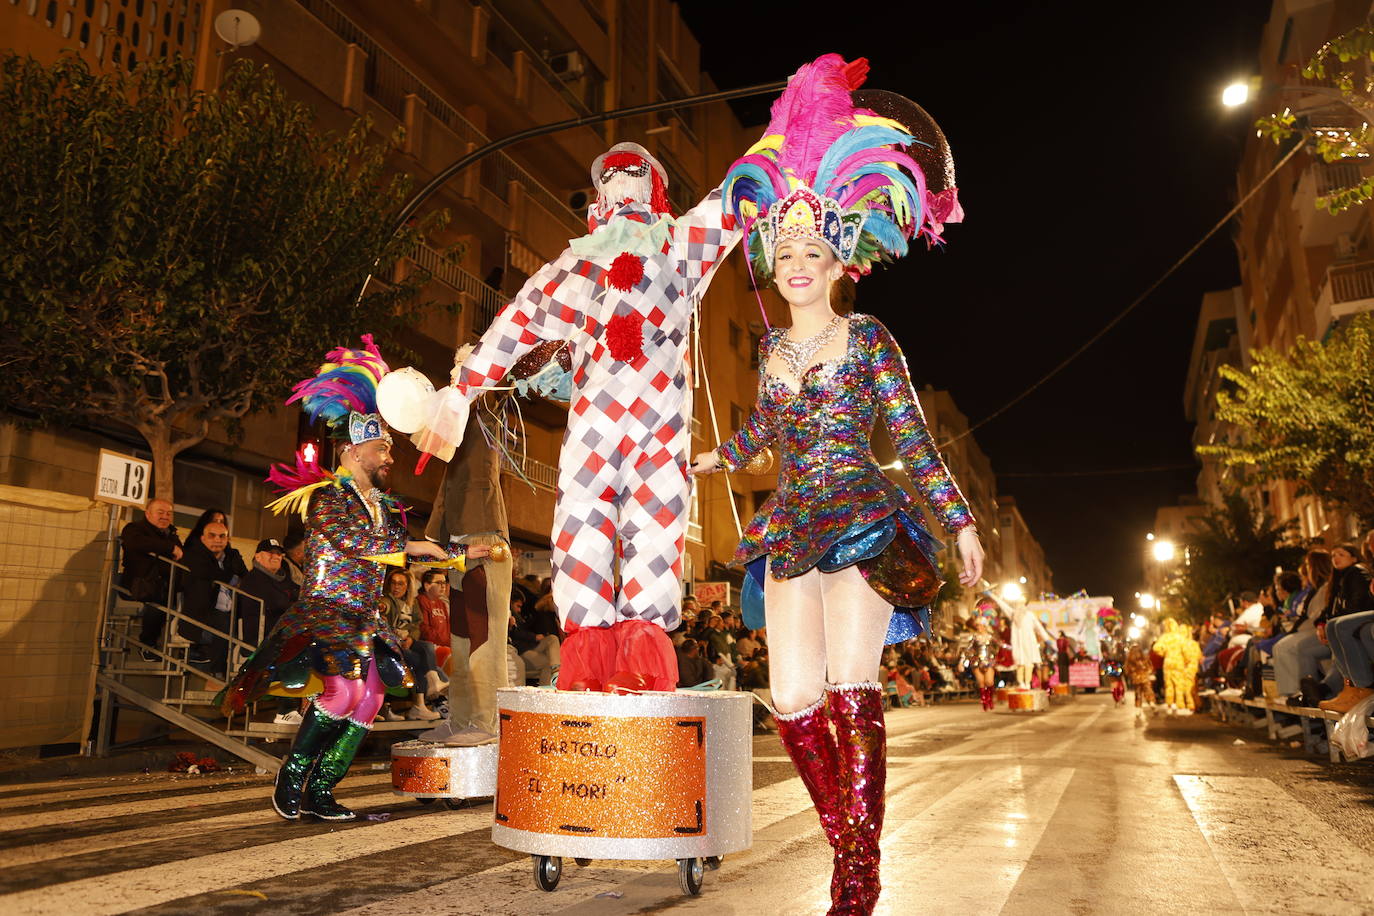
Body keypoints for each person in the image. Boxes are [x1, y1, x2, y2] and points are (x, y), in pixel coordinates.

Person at [688, 55, 978, 914]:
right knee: (787, 697)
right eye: (783, 251)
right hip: (790, 528)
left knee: (853, 685)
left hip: (860, 519)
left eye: (810, 249)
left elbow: (916, 441)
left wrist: (958, 518)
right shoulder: (774, 354)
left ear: (839, 258)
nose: (795, 263)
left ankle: (856, 875)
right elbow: (766, 436)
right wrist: (720, 457)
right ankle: (854, 845)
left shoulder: (870, 339)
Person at [439, 135, 744, 694]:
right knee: (580, 529)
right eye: (612, 178)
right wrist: (464, 385)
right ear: (598, 199)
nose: (623, 186)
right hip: (591, 427)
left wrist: (786, 138)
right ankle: (587, 661)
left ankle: (643, 659)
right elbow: (519, 320)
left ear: (654, 191)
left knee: (654, 530)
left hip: (658, 426)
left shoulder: (679, 248)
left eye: (634, 176)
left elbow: (736, 197)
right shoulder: (575, 266)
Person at [216, 336, 487, 821]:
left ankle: (321, 790)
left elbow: (403, 551)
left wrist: (461, 552)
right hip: (327, 607)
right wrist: (418, 548)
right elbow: (361, 545)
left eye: (389, 448)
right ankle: (293, 773)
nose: (389, 457)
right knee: (344, 692)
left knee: (373, 697)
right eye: (381, 448)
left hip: (364, 614)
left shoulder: (384, 507)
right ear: (352, 450)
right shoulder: (328, 498)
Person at [179, 519, 247, 676]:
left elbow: (245, 577)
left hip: (231, 612)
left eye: (222, 536)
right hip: (202, 614)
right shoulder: (193, 555)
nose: (217, 540)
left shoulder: (233, 554)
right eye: (212, 536)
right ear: (203, 539)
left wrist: (233, 575)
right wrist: (232, 575)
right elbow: (211, 574)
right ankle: (217, 673)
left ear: (227, 539)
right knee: (224, 624)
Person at [119, 497, 183, 660]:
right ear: (148, 514)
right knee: (158, 606)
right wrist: (169, 548)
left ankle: (187, 646)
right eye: (160, 512)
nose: (165, 517)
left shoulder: (171, 534)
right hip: (138, 585)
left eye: (169, 513)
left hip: (164, 586)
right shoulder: (134, 529)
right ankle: (147, 646)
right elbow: (137, 543)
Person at [959, 608, 1002, 710]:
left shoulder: (991, 637)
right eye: (977, 625)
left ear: (985, 626)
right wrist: (961, 662)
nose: (978, 627)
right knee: (981, 682)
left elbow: (999, 646)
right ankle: (984, 700)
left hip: (988, 662)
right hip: (977, 662)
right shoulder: (973, 637)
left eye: (980, 625)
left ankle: (990, 698)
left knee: (989, 682)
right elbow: (967, 650)